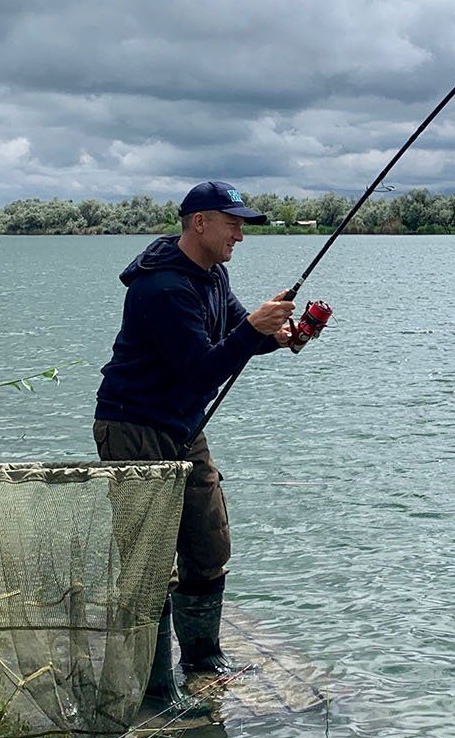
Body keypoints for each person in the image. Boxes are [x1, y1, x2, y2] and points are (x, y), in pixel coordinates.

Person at [92, 180, 324, 710]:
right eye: (234, 223)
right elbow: (200, 369)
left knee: (207, 543)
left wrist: (277, 337)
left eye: (243, 224)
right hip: (133, 426)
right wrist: (252, 331)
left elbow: (232, 340)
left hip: (182, 426)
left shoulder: (212, 275)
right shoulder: (162, 289)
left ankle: (202, 659)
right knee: (149, 560)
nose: (241, 235)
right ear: (199, 222)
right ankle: (153, 687)